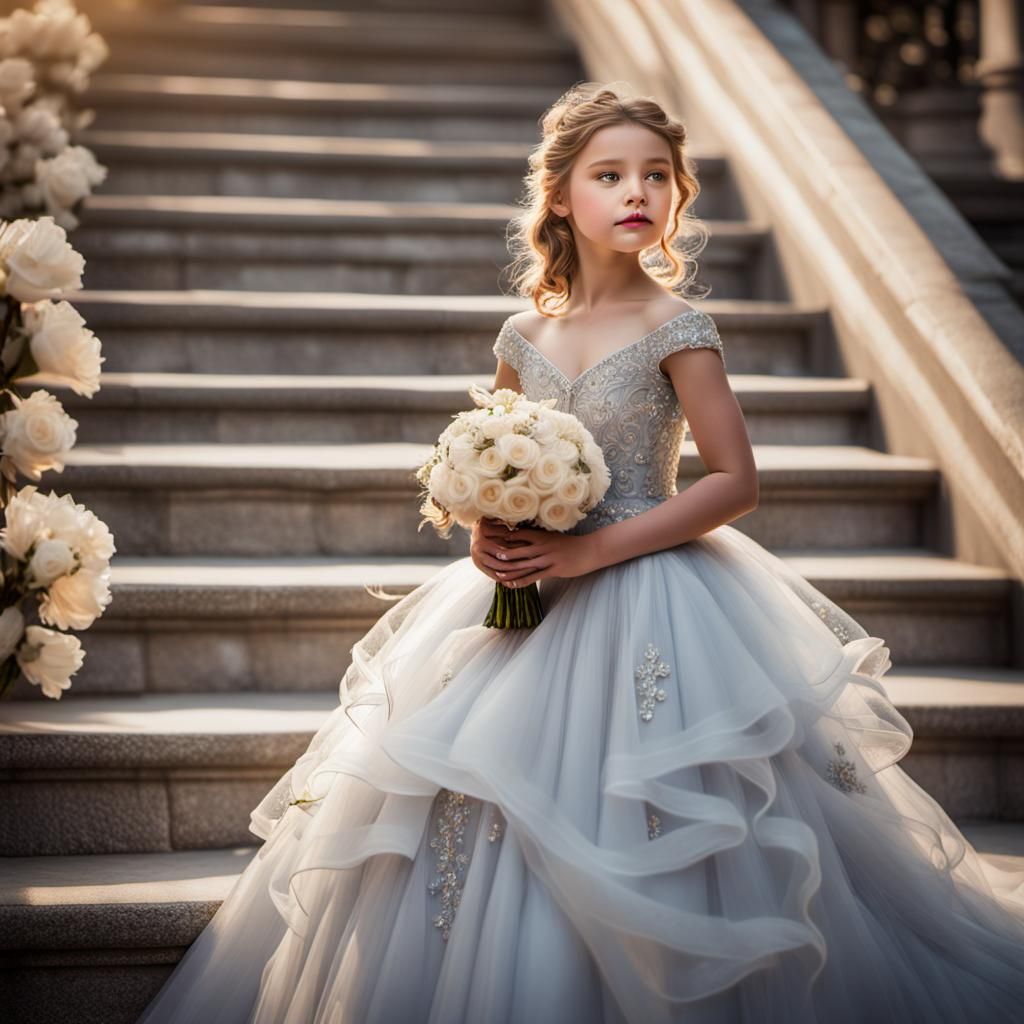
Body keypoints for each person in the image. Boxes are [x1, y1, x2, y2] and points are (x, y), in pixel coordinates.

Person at [136, 82, 1024, 1024]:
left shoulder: (678, 328)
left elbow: (734, 482)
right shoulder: (525, 334)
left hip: (650, 591)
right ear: (560, 197)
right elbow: (492, 459)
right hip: (527, 603)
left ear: (677, 196)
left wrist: (592, 553)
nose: (637, 191)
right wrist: (486, 532)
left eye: (657, 176)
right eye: (610, 175)